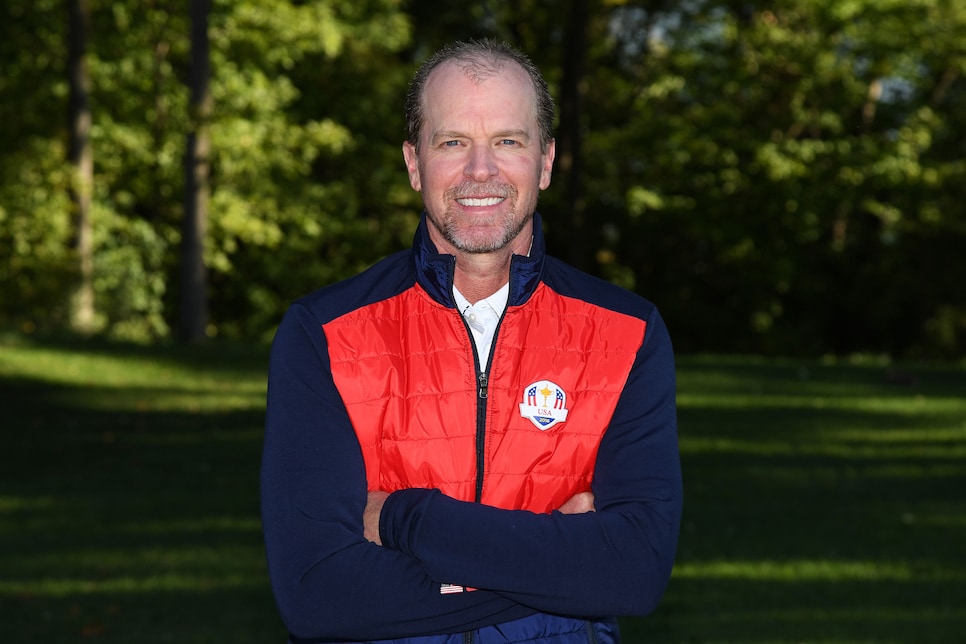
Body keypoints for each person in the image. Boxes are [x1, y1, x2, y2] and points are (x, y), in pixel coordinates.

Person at [261, 39, 682, 644]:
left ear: (546, 161)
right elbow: (318, 593)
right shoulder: (323, 334)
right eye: (452, 142)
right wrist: (558, 568)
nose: (480, 171)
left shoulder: (628, 333)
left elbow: (634, 573)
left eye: (508, 141)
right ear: (414, 163)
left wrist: (406, 518)